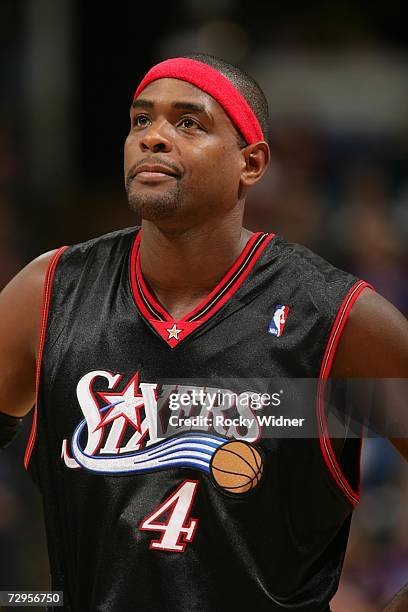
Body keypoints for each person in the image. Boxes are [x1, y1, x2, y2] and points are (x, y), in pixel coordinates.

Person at [0, 54, 407, 612]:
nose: (154, 139)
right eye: (141, 121)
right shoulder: (47, 293)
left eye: (188, 122)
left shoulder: (333, 317)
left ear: (251, 163)